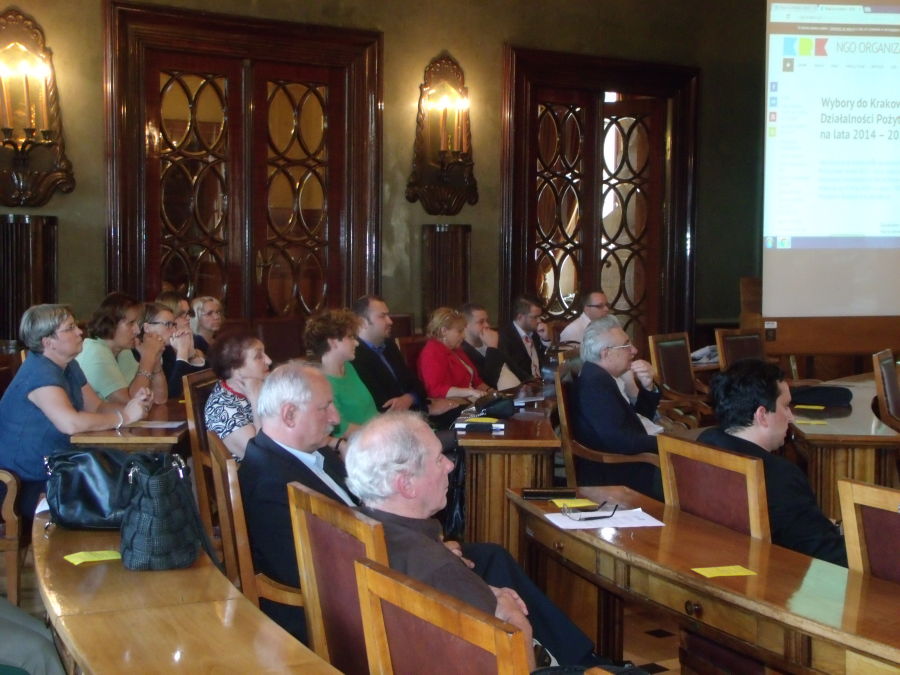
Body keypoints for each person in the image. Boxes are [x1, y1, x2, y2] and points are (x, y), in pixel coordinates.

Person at [345, 412, 614, 670]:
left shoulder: (357, 525)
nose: (450, 465)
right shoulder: (438, 569)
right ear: (406, 484)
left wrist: (481, 590)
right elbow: (514, 665)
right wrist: (515, 618)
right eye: (438, 459)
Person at [0, 305, 150, 531]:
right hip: (22, 484)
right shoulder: (39, 373)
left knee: (129, 488)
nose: (80, 331)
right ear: (48, 342)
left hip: (58, 471)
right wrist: (125, 416)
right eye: (69, 328)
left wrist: (132, 406)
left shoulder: (68, 365)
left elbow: (97, 406)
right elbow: (70, 423)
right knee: (117, 501)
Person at [239, 361, 356, 643]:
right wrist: (410, 559)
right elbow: (317, 574)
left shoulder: (307, 451)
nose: (335, 418)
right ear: (289, 414)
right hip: (328, 622)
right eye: (325, 407)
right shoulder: (271, 485)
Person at [700, 359, 848, 566]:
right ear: (762, 415)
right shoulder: (779, 475)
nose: (791, 417)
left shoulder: (705, 443)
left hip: (717, 557)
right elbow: (825, 554)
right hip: (776, 573)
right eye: (785, 406)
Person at [569, 315, 663, 499]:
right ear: (606, 353)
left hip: (629, 464)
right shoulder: (595, 385)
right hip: (618, 475)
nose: (634, 350)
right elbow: (621, 441)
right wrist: (666, 444)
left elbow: (636, 420)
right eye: (627, 345)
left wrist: (648, 386)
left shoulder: (600, 377)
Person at [351, 295, 461, 428]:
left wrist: (410, 398)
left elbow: (417, 385)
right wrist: (425, 410)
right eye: (382, 316)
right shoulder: (354, 355)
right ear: (362, 322)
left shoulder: (388, 345)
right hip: (393, 425)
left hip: (417, 412)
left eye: (388, 315)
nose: (390, 321)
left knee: (468, 415)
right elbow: (385, 406)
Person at [75, 292, 168, 405]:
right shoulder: (95, 353)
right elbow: (130, 403)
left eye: (137, 323)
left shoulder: (123, 351)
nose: (137, 330)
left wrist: (155, 359)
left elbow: (159, 399)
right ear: (111, 323)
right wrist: (148, 357)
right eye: (131, 323)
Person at [304, 308, 378, 443]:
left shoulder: (349, 367)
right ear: (332, 342)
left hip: (376, 433)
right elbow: (341, 430)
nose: (356, 343)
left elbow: (370, 411)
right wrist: (384, 432)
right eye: (350, 337)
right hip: (362, 444)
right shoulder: (322, 383)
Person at [204, 331, 272, 460]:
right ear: (235, 368)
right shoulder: (223, 409)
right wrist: (256, 400)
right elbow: (261, 458)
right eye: (258, 356)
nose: (269, 360)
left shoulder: (262, 386)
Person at [418, 307, 493, 401]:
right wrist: (470, 392)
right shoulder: (431, 352)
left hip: (471, 399)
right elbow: (435, 389)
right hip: (454, 404)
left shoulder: (456, 349)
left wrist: (492, 392)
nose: (464, 335)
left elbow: (477, 382)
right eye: (459, 331)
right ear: (444, 331)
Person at [139, 302, 206, 398]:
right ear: (147, 328)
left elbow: (202, 387)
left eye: (174, 325)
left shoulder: (167, 351)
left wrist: (191, 354)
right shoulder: (137, 355)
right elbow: (172, 395)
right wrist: (182, 354)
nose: (174, 330)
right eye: (168, 324)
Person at [459, 302, 519, 390]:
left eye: (487, 321)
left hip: (520, 391)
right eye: (481, 322)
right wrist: (492, 347)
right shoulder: (462, 352)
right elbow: (489, 381)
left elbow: (515, 368)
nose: (487, 325)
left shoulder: (496, 339)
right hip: (496, 395)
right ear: (465, 325)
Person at [497, 295, 547, 382]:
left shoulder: (537, 333)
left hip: (543, 383)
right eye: (535, 317)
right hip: (524, 386)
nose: (539, 321)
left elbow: (548, 364)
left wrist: (546, 340)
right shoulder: (504, 337)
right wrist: (534, 382)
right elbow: (513, 370)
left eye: (540, 316)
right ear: (520, 317)